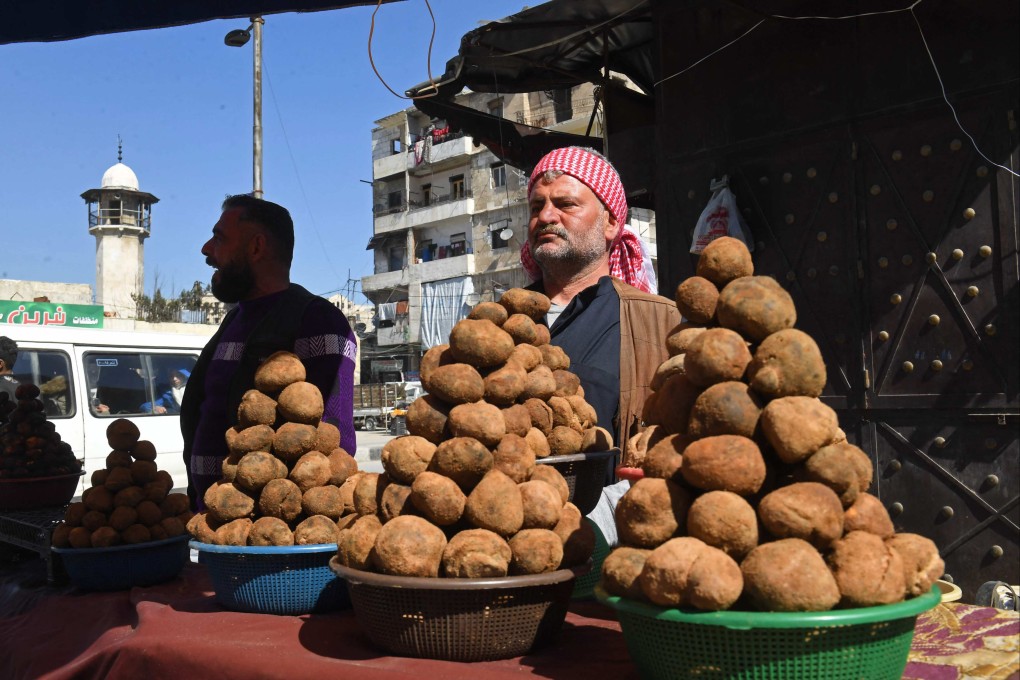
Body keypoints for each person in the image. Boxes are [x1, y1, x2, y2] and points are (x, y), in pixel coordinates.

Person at [521, 146, 680, 544]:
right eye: (537, 205)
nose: (545, 216)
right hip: (510, 543)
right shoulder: (503, 321)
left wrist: (602, 522)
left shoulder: (662, 323)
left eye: (565, 203)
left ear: (611, 222)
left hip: (617, 546)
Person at [181, 194, 358, 510]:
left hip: (266, 532)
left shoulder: (317, 320)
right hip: (215, 525)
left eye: (219, 238)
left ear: (256, 247)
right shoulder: (234, 319)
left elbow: (333, 444)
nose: (207, 250)